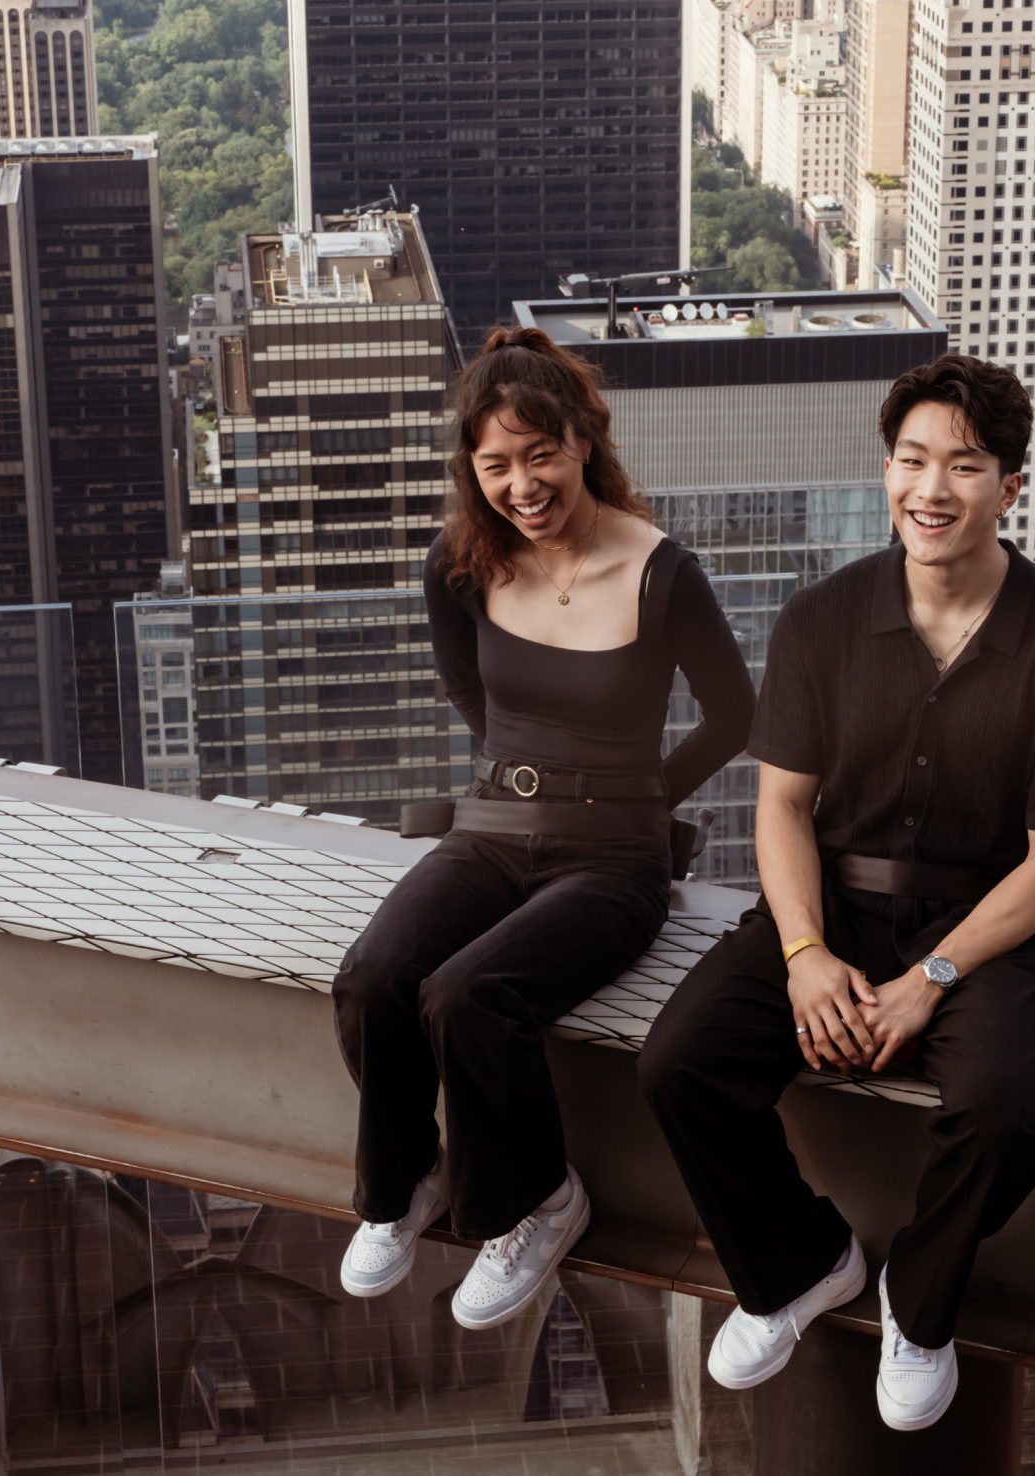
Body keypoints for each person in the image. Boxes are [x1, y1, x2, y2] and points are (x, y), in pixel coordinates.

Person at [636, 354, 1035, 1430]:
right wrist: (806, 955)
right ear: (887, 468)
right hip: (829, 903)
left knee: (999, 1103)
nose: (931, 489)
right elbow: (780, 811)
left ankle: (920, 1297)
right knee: (678, 1063)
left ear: (1011, 486)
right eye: (911, 460)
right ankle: (801, 1262)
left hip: (981, 926)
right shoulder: (819, 620)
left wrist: (931, 981)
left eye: (964, 465)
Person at [333, 324, 756, 1332]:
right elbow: (468, 692)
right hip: (492, 828)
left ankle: (538, 1200)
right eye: (496, 466)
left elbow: (739, 715)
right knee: (372, 978)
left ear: (581, 445)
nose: (522, 485)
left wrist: (640, 795)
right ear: (471, 472)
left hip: (612, 857)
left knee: (468, 997)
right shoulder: (460, 562)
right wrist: (518, 778)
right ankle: (407, 1185)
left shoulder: (661, 572)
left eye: (540, 456)